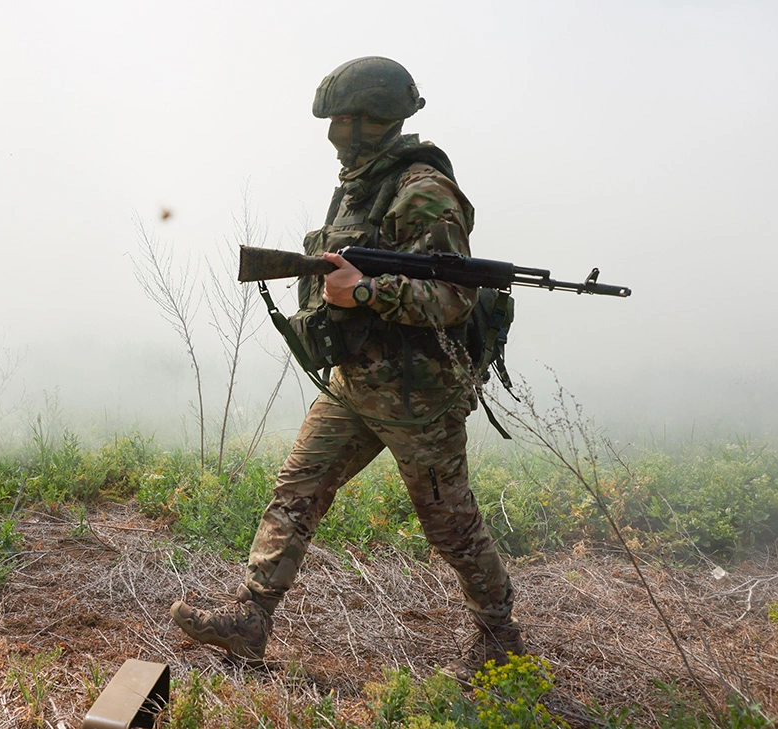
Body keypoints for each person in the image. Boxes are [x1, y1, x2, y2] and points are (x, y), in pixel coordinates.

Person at [170, 56, 523, 681]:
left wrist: (364, 293)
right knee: (296, 492)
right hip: (355, 385)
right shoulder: (361, 184)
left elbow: (452, 299)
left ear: (374, 118)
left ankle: (500, 639)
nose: (333, 130)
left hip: (419, 399)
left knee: (451, 525)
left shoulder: (423, 191)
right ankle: (251, 618)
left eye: (342, 118)